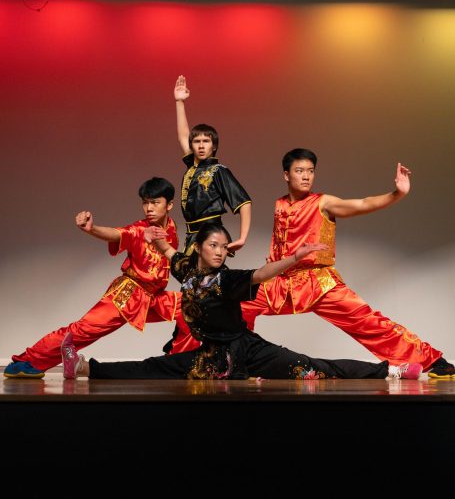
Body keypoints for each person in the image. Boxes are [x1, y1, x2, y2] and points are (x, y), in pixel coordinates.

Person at [61, 222, 423, 382]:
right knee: (153, 368)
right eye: (214, 246)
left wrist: (296, 257)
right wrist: (154, 239)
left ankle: (392, 370)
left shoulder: (229, 279)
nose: (220, 251)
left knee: (316, 368)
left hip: (249, 351)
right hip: (210, 357)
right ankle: (83, 368)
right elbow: (171, 252)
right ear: (200, 248)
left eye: (224, 246)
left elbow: (265, 273)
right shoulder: (187, 271)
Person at [238, 148, 454, 379]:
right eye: (299, 171)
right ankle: (237, 360)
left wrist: (396, 194)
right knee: (238, 304)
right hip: (282, 284)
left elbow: (362, 203)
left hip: (319, 283)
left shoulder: (324, 203)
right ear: (286, 175)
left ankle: (433, 361)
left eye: (310, 171)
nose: (306, 176)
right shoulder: (279, 204)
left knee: (369, 323)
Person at [4, 177, 193, 379]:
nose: (149, 208)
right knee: (82, 331)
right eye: (145, 203)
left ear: (169, 205)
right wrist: (92, 229)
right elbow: (116, 234)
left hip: (154, 297)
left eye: (155, 203)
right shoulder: (139, 229)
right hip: (128, 294)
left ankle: (182, 361)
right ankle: (28, 361)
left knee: (193, 305)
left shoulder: (171, 228)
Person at [174, 75, 252, 254]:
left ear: (214, 145)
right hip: (192, 236)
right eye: (197, 142)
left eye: (206, 141)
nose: (201, 145)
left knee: (207, 280)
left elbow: (244, 202)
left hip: (211, 234)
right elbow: (183, 135)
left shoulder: (218, 171)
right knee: (192, 280)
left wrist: (242, 237)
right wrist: (179, 103)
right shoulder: (193, 167)